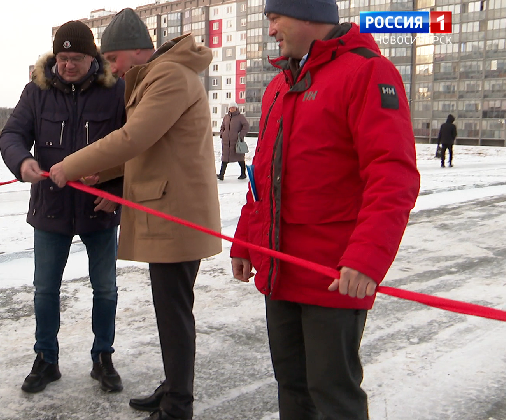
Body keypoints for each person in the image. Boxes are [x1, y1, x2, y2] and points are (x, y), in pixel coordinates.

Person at [229, 1, 420, 419]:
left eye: (276, 18)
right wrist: (245, 242)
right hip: (280, 269)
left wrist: (365, 260)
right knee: (292, 388)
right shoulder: (280, 85)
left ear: (308, 14)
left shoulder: (367, 72)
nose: (272, 30)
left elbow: (393, 177)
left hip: (334, 277)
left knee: (332, 395)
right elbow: (262, 178)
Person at [49, 8, 222, 420]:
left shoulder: (169, 77)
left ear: (136, 52)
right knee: (170, 309)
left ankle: (179, 403)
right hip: (166, 210)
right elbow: (148, 147)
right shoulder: (159, 76)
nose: (112, 69)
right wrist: (103, 172)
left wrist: (68, 166)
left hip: (176, 214)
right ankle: (173, 385)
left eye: (112, 60)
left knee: (174, 311)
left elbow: (134, 137)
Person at [0, 20, 127, 394]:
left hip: (98, 208)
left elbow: (133, 146)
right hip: (50, 207)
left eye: (76, 58)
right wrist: (21, 161)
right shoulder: (36, 91)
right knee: (45, 290)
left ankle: (103, 356)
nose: (67, 65)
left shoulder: (115, 91)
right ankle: (46, 359)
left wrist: (115, 186)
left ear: (92, 58)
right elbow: (11, 134)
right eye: (62, 57)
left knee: (105, 289)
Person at [217, 103, 249, 181]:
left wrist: (241, 135)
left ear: (236, 108)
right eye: (231, 108)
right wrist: (222, 134)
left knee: (240, 158)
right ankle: (221, 175)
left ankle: (243, 174)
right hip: (226, 142)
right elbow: (222, 126)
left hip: (236, 141)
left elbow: (246, 126)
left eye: (233, 108)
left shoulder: (240, 117)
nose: (232, 109)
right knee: (225, 158)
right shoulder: (226, 117)